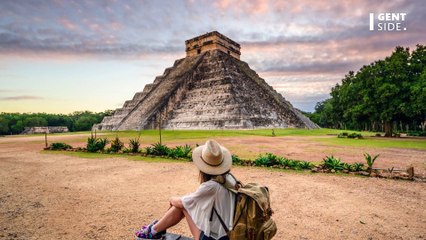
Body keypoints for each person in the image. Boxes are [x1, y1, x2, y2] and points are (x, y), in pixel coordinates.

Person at [135, 140, 237, 240]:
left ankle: (153, 231)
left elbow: (184, 203)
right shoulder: (229, 178)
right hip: (228, 233)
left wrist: (171, 199)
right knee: (184, 203)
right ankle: (156, 229)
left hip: (216, 238)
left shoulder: (211, 186)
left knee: (182, 206)